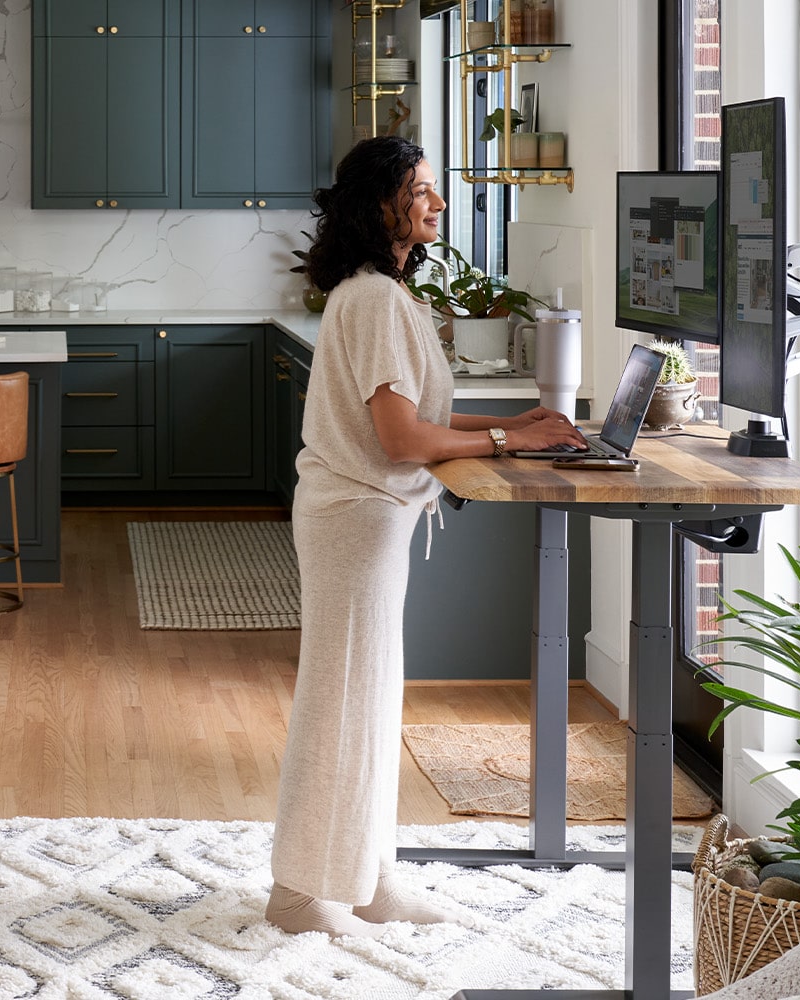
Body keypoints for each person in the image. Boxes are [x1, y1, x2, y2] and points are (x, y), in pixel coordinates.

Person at [267, 136, 587, 938]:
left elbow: (422, 418)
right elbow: (403, 441)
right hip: (356, 519)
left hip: (369, 518)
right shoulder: (374, 300)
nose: (436, 203)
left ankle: (368, 879)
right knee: (343, 701)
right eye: (421, 190)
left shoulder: (379, 293)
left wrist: (512, 422)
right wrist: (514, 445)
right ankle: (302, 892)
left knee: (368, 699)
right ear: (382, 207)